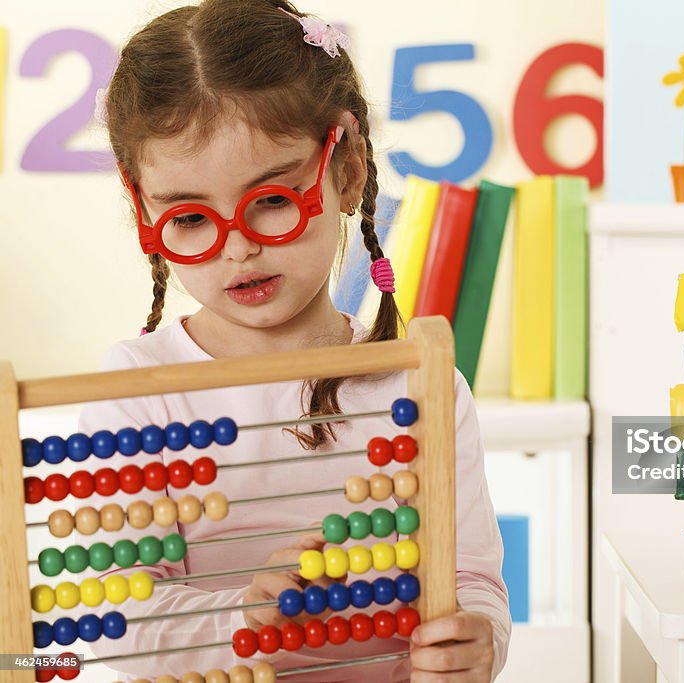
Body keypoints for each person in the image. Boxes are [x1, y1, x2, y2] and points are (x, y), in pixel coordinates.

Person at [75, 1, 510, 680]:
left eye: (272, 200)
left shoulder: (417, 384)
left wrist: (476, 638)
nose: (239, 248)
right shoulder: (139, 392)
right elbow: (117, 614)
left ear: (349, 171)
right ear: (145, 213)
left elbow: (470, 575)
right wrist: (244, 619)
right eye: (190, 217)